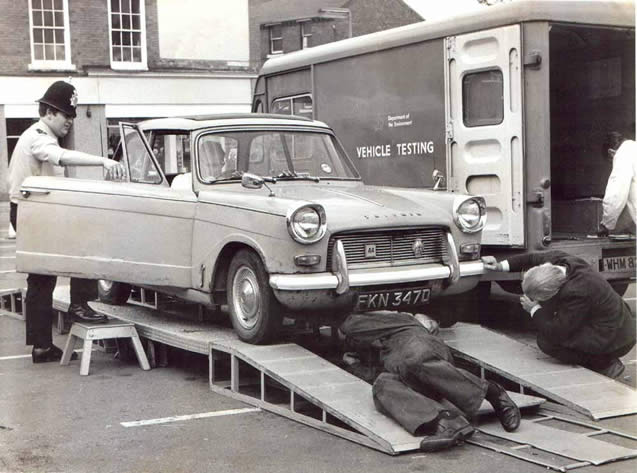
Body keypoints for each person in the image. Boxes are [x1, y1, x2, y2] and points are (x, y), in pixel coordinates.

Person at [7, 80, 124, 363]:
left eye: (71, 115)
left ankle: (42, 345)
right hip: (33, 212)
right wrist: (103, 161)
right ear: (48, 113)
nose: (70, 120)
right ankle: (78, 307)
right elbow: (59, 157)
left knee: (41, 278)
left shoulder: (38, 135)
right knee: (79, 247)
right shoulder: (38, 136)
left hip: (34, 210)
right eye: (66, 114)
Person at [338, 311, 521, 453]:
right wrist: (355, 367)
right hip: (413, 374)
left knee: (414, 360)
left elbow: (350, 325)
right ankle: (447, 423)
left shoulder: (405, 321)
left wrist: (340, 327)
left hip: (422, 354)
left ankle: (492, 392)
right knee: (382, 384)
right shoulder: (383, 347)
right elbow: (375, 375)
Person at [482, 251, 636, 379]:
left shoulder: (577, 292)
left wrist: (534, 309)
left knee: (547, 342)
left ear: (554, 291)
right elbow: (530, 258)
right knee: (549, 321)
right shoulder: (560, 261)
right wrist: (499, 266)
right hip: (615, 321)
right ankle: (601, 358)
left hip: (617, 337)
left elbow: (557, 333)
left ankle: (605, 363)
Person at [598, 131, 637, 236]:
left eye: (611, 161)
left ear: (611, 152)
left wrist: (605, 224)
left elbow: (616, 193)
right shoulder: (633, 147)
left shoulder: (623, 154)